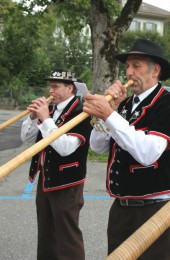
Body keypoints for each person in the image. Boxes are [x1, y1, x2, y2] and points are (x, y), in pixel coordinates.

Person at [83, 38, 170, 259]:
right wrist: (108, 112)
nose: (129, 72)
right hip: (121, 206)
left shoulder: (169, 104)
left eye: (136, 66)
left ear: (155, 71)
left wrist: (110, 115)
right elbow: (97, 146)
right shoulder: (125, 105)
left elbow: (148, 153)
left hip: (155, 209)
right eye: (127, 66)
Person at [21, 68, 92, 260]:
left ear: (70, 89)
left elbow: (65, 148)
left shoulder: (81, 112)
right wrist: (32, 118)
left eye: (56, 87)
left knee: (67, 235)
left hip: (68, 182)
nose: (50, 92)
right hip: (45, 179)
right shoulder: (50, 110)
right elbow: (27, 140)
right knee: (45, 234)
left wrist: (46, 119)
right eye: (50, 87)